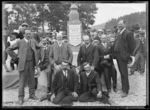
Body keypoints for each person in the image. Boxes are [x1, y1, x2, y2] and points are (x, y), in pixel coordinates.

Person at [6, 28, 42, 105]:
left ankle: (32, 95)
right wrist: (16, 57)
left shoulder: (33, 41)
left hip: (32, 63)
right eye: (27, 34)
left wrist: (37, 56)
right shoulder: (19, 42)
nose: (29, 35)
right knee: (22, 81)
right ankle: (21, 97)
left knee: (32, 80)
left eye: (30, 34)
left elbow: (39, 47)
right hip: (23, 64)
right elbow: (8, 49)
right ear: (24, 34)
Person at [113, 20, 135, 97]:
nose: (119, 25)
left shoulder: (128, 33)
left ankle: (125, 91)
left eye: (121, 24)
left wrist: (128, 56)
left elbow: (132, 46)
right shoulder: (119, 33)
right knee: (122, 73)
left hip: (123, 56)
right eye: (118, 24)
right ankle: (123, 89)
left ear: (125, 25)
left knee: (124, 74)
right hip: (118, 56)